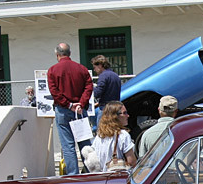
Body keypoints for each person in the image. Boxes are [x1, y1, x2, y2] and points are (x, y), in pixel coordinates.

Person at [47, 43, 93, 175]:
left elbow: (54, 91)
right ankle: (91, 171)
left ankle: (73, 174)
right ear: (70, 53)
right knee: (85, 144)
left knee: (68, 146)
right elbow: (89, 87)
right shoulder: (82, 69)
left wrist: (68, 104)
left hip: (63, 110)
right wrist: (80, 103)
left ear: (57, 55)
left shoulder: (52, 70)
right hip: (80, 110)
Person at [91, 101, 137, 171]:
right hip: (118, 177)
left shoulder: (99, 136)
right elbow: (131, 162)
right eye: (124, 113)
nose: (128, 116)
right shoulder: (123, 135)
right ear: (115, 116)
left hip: (103, 177)